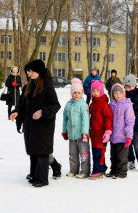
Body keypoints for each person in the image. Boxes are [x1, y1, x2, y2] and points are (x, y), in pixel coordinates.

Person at [10, 59, 60, 188]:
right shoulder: (28, 87)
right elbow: (22, 104)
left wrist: (42, 112)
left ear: (39, 72)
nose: (29, 73)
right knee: (33, 151)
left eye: (32, 71)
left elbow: (55, 105)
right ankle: (34, 175)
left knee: (42, 152)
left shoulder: (47, 87)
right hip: (30, 125)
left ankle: (42, 179)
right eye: (29, 71)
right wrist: (16, 112)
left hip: (43, 125)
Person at [62, 78, 91, 178]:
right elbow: (65, 118)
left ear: (82, 93)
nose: (76, 95)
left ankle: (85, 171)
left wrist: (84, 133)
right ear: (71, 93)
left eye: (79, 92)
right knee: (72, 154)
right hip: (71, 134)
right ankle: (73, 170)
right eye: (74, 92)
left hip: (82, 135)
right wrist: (64, 131)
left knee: (84, 154)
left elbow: (86, 120)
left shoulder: (83, 105)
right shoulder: (68, 104)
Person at [106, 83, 134, 179]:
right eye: (115, 93)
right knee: (113, 156)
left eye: (119, 93)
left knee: (121, 157)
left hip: (123, 137)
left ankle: (122, 172)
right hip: (113, 136)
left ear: (123, 93)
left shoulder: (127, 105)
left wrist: (129, 136)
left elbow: (130, 121)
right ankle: (114, 170)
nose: (118, 95)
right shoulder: (111, 105)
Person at [123, 74, 138, 172]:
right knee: (128, 142)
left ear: (133, 85)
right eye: (126, 87)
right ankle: (130, 161)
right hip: (127, 122)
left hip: (137, 121)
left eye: (129, 87)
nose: (128, 89)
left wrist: (134, 105)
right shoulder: (125, 93)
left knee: (137, 142)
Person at [88, 80, 112, 179]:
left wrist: (107, 132)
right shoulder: (92, 104)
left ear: (101, 91)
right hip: (94, 134)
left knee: (99, 152)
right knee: (95, 152)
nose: (95, 93)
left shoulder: (103, 104)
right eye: (93, 91)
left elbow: (108, 118)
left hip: (102, 134)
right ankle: (102, 168)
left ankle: (97, 171)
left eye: (97, 91)